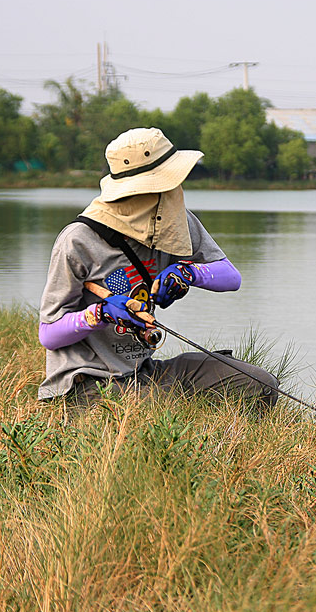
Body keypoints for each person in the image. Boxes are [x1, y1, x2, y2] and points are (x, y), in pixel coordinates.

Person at [37, 127, 278, 417]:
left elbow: (230, 277)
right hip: (87, 384)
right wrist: (99, 314)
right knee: (155, 413)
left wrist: (188, 274)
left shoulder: (174, 218)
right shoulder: (78, 240)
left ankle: (237, 450)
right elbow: (49, 334)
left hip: (145, 373)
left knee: (260, 385)